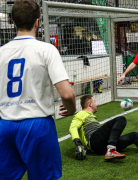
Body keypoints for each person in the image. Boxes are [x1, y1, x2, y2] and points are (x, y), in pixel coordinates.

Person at [0, 0, 76, 180]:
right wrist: (71, 108)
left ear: (13, 22)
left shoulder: (1, 52)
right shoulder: (46, 50)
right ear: (37, 22)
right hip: (37, 125)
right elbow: (67, 93)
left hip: (5, 124)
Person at [69, 94, 138, 160]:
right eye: (95, 102)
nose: (97, 104)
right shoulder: (81, 114)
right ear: (90, 104)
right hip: (94, 142)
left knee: (134, 135)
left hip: (101, 146)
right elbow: (72, 127)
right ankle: (111, 150)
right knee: (121, 119)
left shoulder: (91, 116)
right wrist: (77, 143)